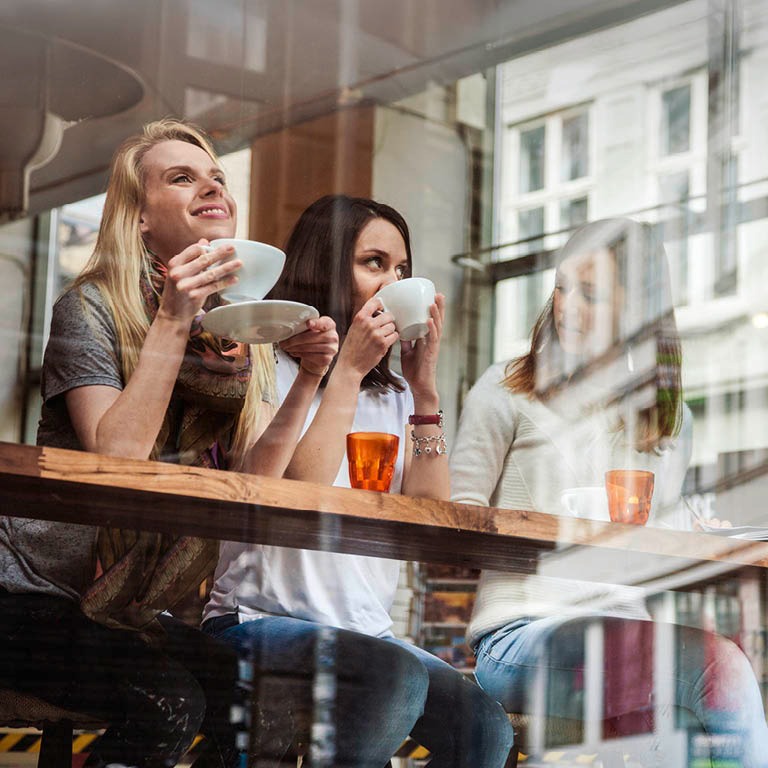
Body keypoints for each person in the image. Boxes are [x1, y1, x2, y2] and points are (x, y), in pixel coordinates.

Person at [0, 119, 338, 768]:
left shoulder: (238, 335)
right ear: (140, 220)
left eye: (216, 176)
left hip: (126, 611)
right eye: (181, 178)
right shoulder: (92, 306)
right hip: (27, 592)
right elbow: (116, 461)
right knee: (167, 701)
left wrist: (314, 377)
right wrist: (175, 319)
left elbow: (259, 480)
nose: (211, 187)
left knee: (265, 717)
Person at [204, 194, 514, 767]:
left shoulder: (395, 396)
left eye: (401, 269)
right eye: (374, 263)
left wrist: (424, 393)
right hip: (258, 620)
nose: (392, 282)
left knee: (485, 730)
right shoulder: (267, 365)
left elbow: (427, 511)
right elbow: (298, 493)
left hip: (368, 635)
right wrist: (345, 368)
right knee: (392, 677)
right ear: (326, 269)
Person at [450, 218, 768, 767]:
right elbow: (457, 524)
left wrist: (689, 535)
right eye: (563, 286)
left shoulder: (668, 423)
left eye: (591, 295)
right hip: (519, 637)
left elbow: (653, 550)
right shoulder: (505, 390)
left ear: (637, 310)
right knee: (722, 670)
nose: (568, 307)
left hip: (627, 635)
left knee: (681, 725)